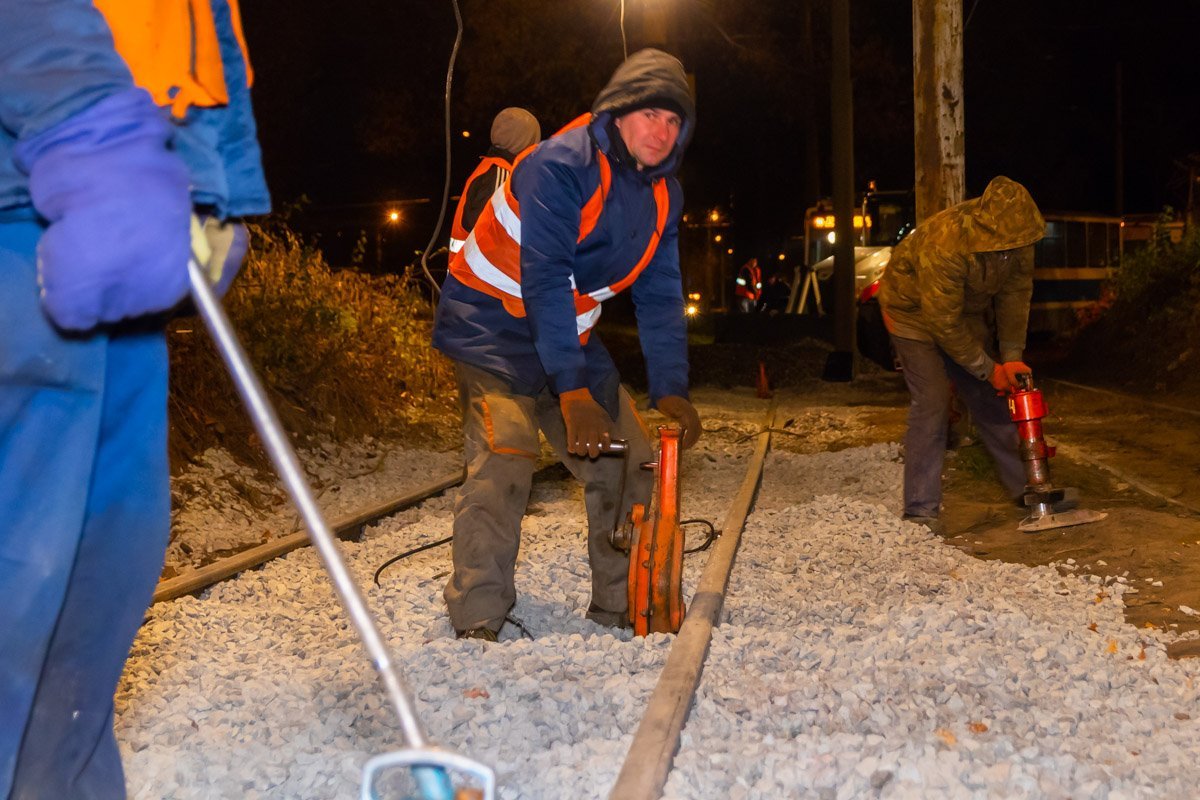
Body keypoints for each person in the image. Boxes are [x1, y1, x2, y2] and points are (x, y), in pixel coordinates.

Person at [0, 2, 269, 796]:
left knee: (99, 572)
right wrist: (85, 126)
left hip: (117, 223)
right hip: (38, 194)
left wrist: (216, 188)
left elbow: (191, 30)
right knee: (19, 569)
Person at [432, 48, 701, 641]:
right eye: (650, 113)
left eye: (674, 120)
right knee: (506, 455)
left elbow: (660, 293)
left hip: (565, 335)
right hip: (491, 331)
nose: (661, 131)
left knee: (627, 452)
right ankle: (478, 617)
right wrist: (572, 391)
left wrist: (672, 388)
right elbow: (545, 278)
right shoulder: (558, 164)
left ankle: (617, 602)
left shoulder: (663, 195)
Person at [878, 176, 1044, 533]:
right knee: (933, 400)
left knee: (990, 396)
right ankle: (920, 509)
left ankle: (1032, 490)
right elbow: (942, 324)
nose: (1012, 251)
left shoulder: (1020, 239)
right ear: (988, 232)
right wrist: (988, 367)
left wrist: (1011, 355)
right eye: (1005, 245)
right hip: (910, 312)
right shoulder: (946, 243)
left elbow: (1016, 296)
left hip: (961, 312)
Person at [448, 107, 541, 254]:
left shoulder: (490, 167)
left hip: (470, 273)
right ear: (524, 141)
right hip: (481, 275)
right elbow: (494, 232)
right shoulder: (501, 176)